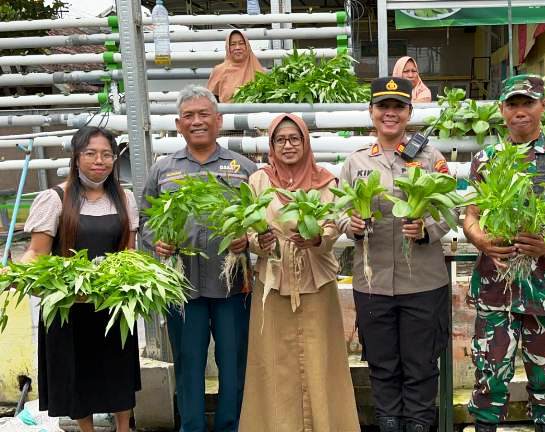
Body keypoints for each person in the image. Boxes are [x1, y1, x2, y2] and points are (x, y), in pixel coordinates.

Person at [463, 74, 545, 432]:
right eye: (513, 104)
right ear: (502, 109)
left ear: (544, 105)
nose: (520, 111)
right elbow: (470, 216)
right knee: (489, 378)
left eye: (528, 103)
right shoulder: (486, 159)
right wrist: (482, 241)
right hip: (495, 290)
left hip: (544, 292)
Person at [140, 85, 257, 432]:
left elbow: (262, 219)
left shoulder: (243, 168)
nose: (196, 121)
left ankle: (230, 426)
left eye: (204, 114)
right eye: (188, 116)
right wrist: (157, 241)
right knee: (188, 363)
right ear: (178, 125)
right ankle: (191, 426)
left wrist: (247, 238)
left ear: (218, 120)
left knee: (233, 364)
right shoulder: (163, 170)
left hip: (232, 286)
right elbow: (146, 220)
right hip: (182, 288)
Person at [336, 77, 451, 432]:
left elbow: (450, 210)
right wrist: (351, 224)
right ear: (371, 112)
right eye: (382, 106)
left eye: (398, 107)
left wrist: (426, 229)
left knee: (421, 366)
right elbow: (338, 212)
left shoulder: (431, 158)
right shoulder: (355, 162)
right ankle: (388, 424)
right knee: (382, 366)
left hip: (423, 282)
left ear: (409, 112)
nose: (390, 113)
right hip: (373, 284)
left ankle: (418, 425)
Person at [238, 113, 360, 431]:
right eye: (280, 140)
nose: (288, 145)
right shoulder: (259, 181)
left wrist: (317, 238)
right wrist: (260, 242)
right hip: (273, 284)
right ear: (271, 146)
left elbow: (333, 225)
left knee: (321, 363)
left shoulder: (327, 181)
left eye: (295, 138)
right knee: (273, 366)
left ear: (305, 143)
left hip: (316, 283)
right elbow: (248, 230)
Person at [20, 126, 140, 432]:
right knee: (76, 376)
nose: (99, 161)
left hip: (112, 305)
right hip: (69, 307)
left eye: (107, 154)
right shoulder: (54, 199)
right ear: (76, 157)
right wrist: (19, 274)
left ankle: (124, 428)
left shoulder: (124, 198)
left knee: (118, 373)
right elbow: (38, 252)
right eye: (90, 153)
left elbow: (129, 253)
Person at [207, 30, 266, 103]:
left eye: (241, 43)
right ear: (227, 48)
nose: (237, 47)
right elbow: (211, 102)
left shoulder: (258, 71)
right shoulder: (219, 70)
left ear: (247, 46)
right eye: (233, 44)